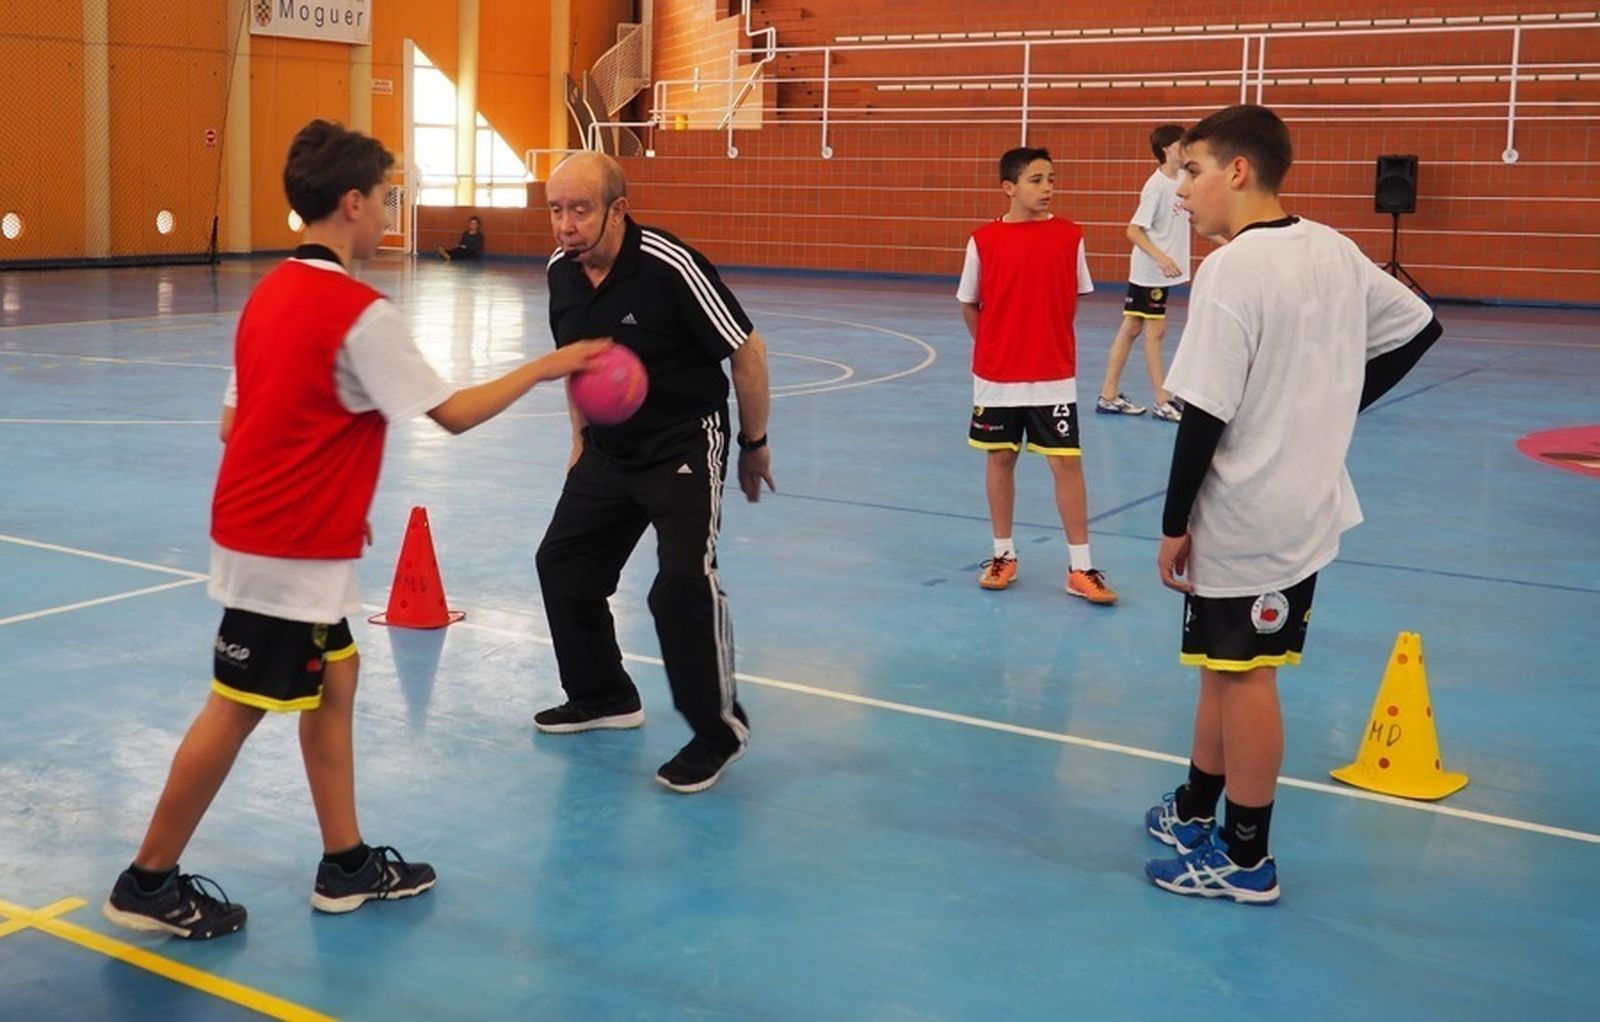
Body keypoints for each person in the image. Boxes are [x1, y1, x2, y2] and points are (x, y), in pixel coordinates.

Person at [102, 120, 607, 940]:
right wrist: (548, 365)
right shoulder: (358, 313)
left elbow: (238, 424)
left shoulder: (268, 294)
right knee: (235, 706)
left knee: (337, 676)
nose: (388, 213)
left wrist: (331, 495)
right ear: (351, 204)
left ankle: (346, 864)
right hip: (284, 549)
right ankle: (147, 882)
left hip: (282, 533)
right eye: (383, 199)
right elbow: (452, 414)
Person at [1143, 105, 1441, 904]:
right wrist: (1335, 404)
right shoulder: (1331, 246)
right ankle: (1197, 807)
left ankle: (1246, 859)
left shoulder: (1233, 270)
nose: (1181, 190)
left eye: (1193, 170)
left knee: (1246, 677)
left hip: (1251, 513)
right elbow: (1418, 326)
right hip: (1298, 505)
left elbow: (1202, 413)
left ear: (1238, 171)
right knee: (1222, 666)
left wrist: (1172, 523)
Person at [533, 151, 774, 794]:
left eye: (580, 210)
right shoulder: (560, 272)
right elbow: (575, 362)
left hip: (682, 445)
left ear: (618, 210)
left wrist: (754, 443)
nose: (565, 225)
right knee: (563, 563)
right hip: (608, 450)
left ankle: (718, 732)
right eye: (555, 210)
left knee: (681, 584)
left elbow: (747, 350)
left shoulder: (670, 266)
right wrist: (579, 439)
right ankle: (603, 694)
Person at [957, 147, 1117, 604]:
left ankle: (1080, 567)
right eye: (1036, 179)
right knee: (1000, 458)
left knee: (1067, 464)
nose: (1047, 188)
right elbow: (969, 303)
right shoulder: (983, 240)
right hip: (997, 376)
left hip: (1053, 374)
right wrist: (994, 347)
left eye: (1051, 179)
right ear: (1008, 188)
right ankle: (1002, 555)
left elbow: (1069, 299)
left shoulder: (1070, 237)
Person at [1097, 124, 1191, 422]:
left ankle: (1108, 395)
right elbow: (1133, 230)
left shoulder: (1184, 178)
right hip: (1150, 271)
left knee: (1132, 328)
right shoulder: (1156, 187)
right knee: (1154, 331)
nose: (1186, 148)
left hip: (1161, 272)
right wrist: (1162, 258)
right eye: (1181, 144)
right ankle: (1163, 401)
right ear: (1167, 149)